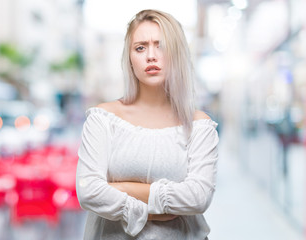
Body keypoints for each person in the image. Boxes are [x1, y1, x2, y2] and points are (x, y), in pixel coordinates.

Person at [76, 9, 219, 240]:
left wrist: (122, 188)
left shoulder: (198, 125)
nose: (151, 56)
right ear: (130, 59)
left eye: (160, 45)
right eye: (140, 47)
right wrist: (151, 211)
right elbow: (89, 191)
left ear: (177, 53)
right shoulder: (102, 118)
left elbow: (198, 197)